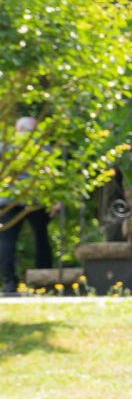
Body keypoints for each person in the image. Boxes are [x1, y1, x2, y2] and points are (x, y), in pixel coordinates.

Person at [1, 117, 56, 294]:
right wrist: (56, 200)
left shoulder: (3, 148)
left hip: (8, 202)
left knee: (6, 242)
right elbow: (51, 174)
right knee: (41, 239)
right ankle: (44, 280)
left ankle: (9, 282)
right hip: (35, 201)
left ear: (18, 129)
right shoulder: (41, 149)